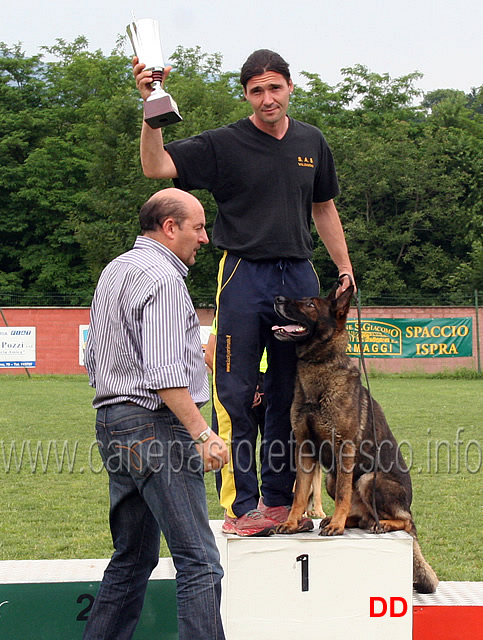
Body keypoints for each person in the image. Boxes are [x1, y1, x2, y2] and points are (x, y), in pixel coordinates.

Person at [133, 49, 355, 537]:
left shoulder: (311, 142)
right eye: (257, 90)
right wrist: (151, 108)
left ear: (290, 88)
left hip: (298, 276)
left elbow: (324, 208)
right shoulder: (225, 143)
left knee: (286, 394)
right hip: (243, 275)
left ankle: (281, 504)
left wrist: (343, 266)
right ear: (246, 95)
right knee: (236, 394)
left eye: (275, 87)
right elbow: (156, 167)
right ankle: (243, 506)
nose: (267, 98)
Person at [83, 188, 228, 640]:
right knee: (200, 562)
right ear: (170, 228)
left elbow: (96, 356)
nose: (204, 239)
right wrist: (203, 434)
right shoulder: (164, 279)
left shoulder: (116, 268)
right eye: (199, 227)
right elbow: (165, 372)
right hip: (155, 425)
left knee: (133, 558)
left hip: (112, 421)